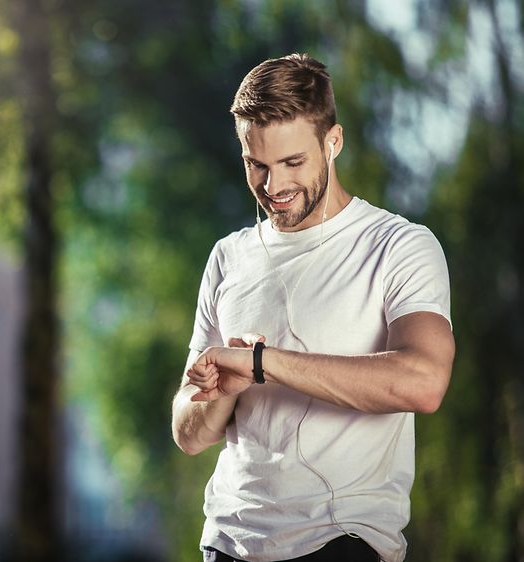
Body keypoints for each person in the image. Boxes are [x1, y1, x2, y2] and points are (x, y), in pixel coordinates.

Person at [170, 53, 455, 562]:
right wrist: (224, 392)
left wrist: (264, 365)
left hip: (341, 541)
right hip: (227, 543)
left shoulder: (398, 246)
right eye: (256, 165)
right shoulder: (228, 257)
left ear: (333, 141)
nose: (273, 186)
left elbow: (424, 381)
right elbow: (187, 434)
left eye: (292, 163)